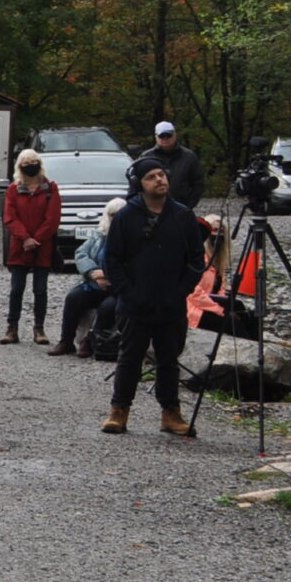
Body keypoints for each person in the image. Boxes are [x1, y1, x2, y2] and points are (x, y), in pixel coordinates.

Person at [100, 155, 207, 436]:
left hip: (171, 303)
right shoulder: (125, 216)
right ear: (140, 183)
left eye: (162, 174)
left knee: (169, 360)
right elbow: (111, 259)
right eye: (151, 176)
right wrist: (127, 291)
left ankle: (171, 413)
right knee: (129, 359)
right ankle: (119, 411)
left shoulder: (183, 215)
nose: (159, 180)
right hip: (135, 303)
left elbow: (197, 258)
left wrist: (182, 288)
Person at [1, 148, 62, 346]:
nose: (30, 165)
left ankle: (39, 328)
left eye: (33, 161)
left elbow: (53, 218)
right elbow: (10, 217)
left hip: (43, 246)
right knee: (16, 288)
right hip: (20, 246)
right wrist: (25, 238)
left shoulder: (51, 188)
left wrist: (37, 239)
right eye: (25, 163)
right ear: (19, 166)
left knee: (40, 289)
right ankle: (12, 328)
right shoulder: (13, 189)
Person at [50, 198, 125, 358]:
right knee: (73, 297)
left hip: (119, 288)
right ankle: (66, 341)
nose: (114, 218)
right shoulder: (100, 234)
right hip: (94, 283)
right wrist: (92, 272)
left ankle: (90, 341)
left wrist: (107, 275)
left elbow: (132, 265)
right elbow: (80, 253)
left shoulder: (132, 238)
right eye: (111, 215)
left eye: (118, 215)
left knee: (107, 307)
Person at [135, 122, 208, 211]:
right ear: (156, 137)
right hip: (152, 209)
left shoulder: (189, 157)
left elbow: (198, 183)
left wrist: (189, 206)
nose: (165, 138)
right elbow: (136, 183)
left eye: (168, 135)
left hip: (181, 208)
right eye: (162, 136)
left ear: (175, 135)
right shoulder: (146, 157)